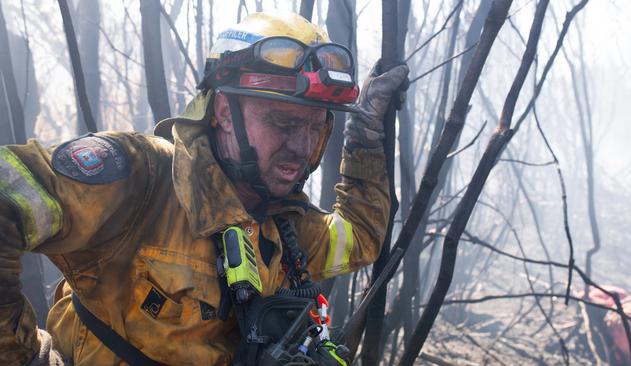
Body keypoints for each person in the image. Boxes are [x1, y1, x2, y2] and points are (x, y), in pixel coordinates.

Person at [0, 11, 408, 365]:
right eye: (283, 122)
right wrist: (25, 357)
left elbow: (361, 238)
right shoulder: (142, 179)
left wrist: (366, 137)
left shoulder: (285, 227)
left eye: (316, 126)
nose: (302, 147)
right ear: (223, 112)